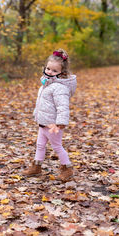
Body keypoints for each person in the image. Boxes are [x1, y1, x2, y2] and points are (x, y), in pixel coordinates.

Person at [23, 48, 77, 182]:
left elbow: (62, 106)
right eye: (48, 68)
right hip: (43, 122)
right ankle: (37, 166)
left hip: (53, 124)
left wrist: (61, 121)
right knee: (40, 145)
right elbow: (41, 103)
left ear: (61, 73)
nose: (49, 72)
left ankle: (67, 168)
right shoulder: (46, 83)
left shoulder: (60, 87)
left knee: (57, 146)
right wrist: (37, 115)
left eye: (54, 71)